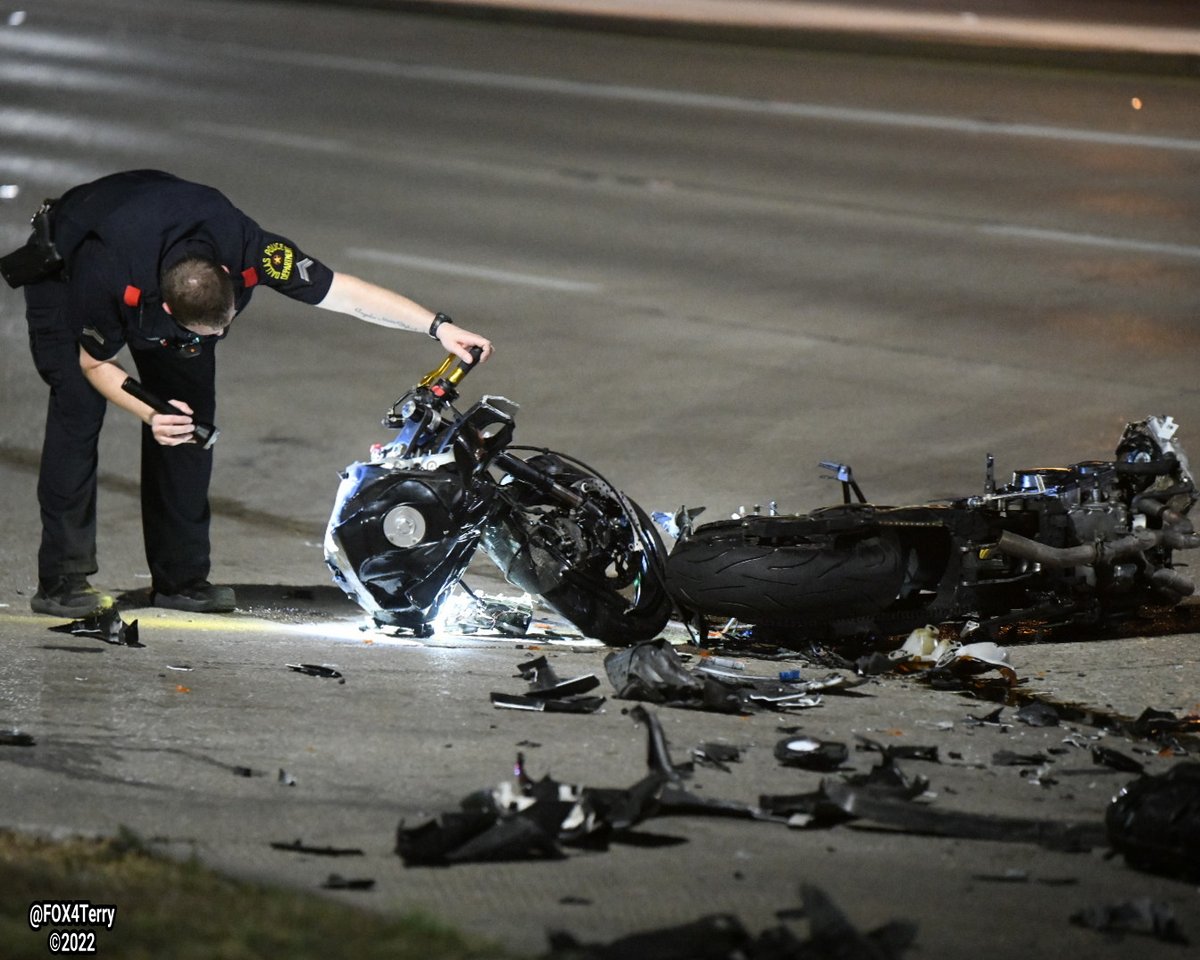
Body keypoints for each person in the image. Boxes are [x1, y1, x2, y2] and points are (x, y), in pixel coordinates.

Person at [8, 169, 493, 617]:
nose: (216, 341)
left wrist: (437, 326)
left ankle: (181, 580)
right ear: (170, 313)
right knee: (77, 410)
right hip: (66, 264)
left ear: (228, 279)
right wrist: (148, 411)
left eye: (225, 326)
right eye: (203, 333)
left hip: (159, 251)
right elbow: (94, 363)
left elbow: (340, 291)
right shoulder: (109, 273)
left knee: (190, 425)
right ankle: (61, 580)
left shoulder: (250, 248)